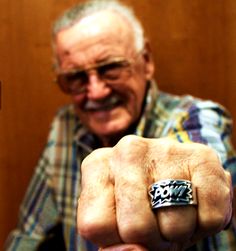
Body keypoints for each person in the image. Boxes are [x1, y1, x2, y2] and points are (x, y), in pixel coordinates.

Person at [5, 0, 236, 250]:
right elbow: (28, 236)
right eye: (75, 77)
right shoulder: (65, 125)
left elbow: (206, 166)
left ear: (146, 61)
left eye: (111, 68)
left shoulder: (195, 116)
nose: (96, 92)